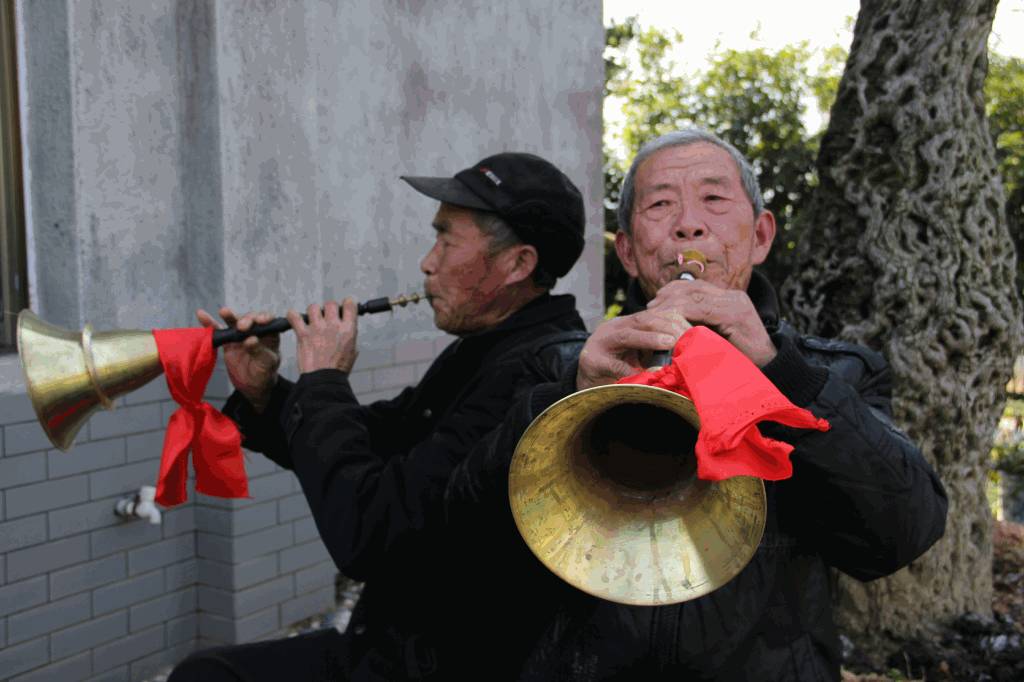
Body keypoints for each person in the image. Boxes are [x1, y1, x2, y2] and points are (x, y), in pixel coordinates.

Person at [443, 128, 949, 680]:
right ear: (629, 252)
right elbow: (463, 541)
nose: (688, 223)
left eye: (713, 199)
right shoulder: (554, 363)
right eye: (660, 204)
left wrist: (786, 377)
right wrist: (569, 395)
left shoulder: (842, 373)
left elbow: (901, 537)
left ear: (760, 236)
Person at [168, 152, 591, 681]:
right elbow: (376, 443)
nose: (427, 262)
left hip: (444, 665)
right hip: (394, 648)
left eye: (446, 239)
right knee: (210, 671)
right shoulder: (486, 349)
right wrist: (266, 394)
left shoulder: (537, 373)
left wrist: (325, 381)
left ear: (518, 264)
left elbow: (370, 534)